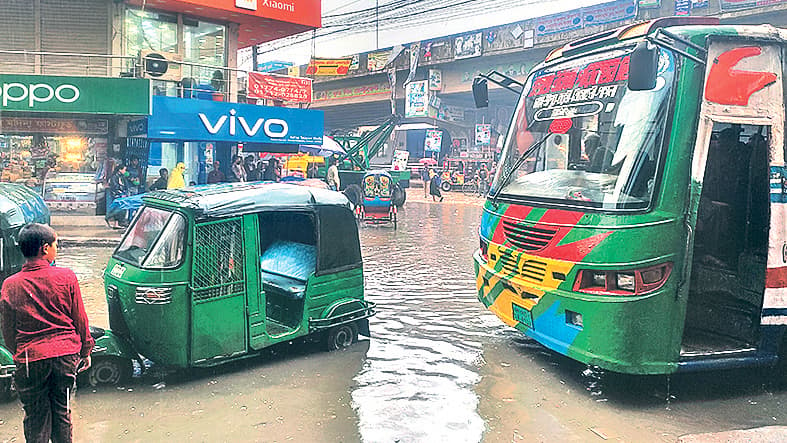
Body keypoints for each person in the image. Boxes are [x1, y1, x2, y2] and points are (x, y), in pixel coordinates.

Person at [0, 223, 94, 443]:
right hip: (65, 356)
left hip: (30, 359)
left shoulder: (10, 285)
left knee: (36, 417)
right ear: (45, 249)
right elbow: (80, 319)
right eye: (55, 245)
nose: (56, 249)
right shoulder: (67, 277)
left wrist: (20, 353)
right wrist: (86, 350)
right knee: (61, 412)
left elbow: (8, 330)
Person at [105, 164, 130, 229]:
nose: (125, 171)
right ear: (120, 170)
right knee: (118, 209)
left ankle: (118, 223)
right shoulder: (114, 177)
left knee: (121, 209)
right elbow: (115, 187)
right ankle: (111, 219)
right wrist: (119, 192)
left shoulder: (122, 177)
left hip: (122, 195)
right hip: (117, 195)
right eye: (124, 170)